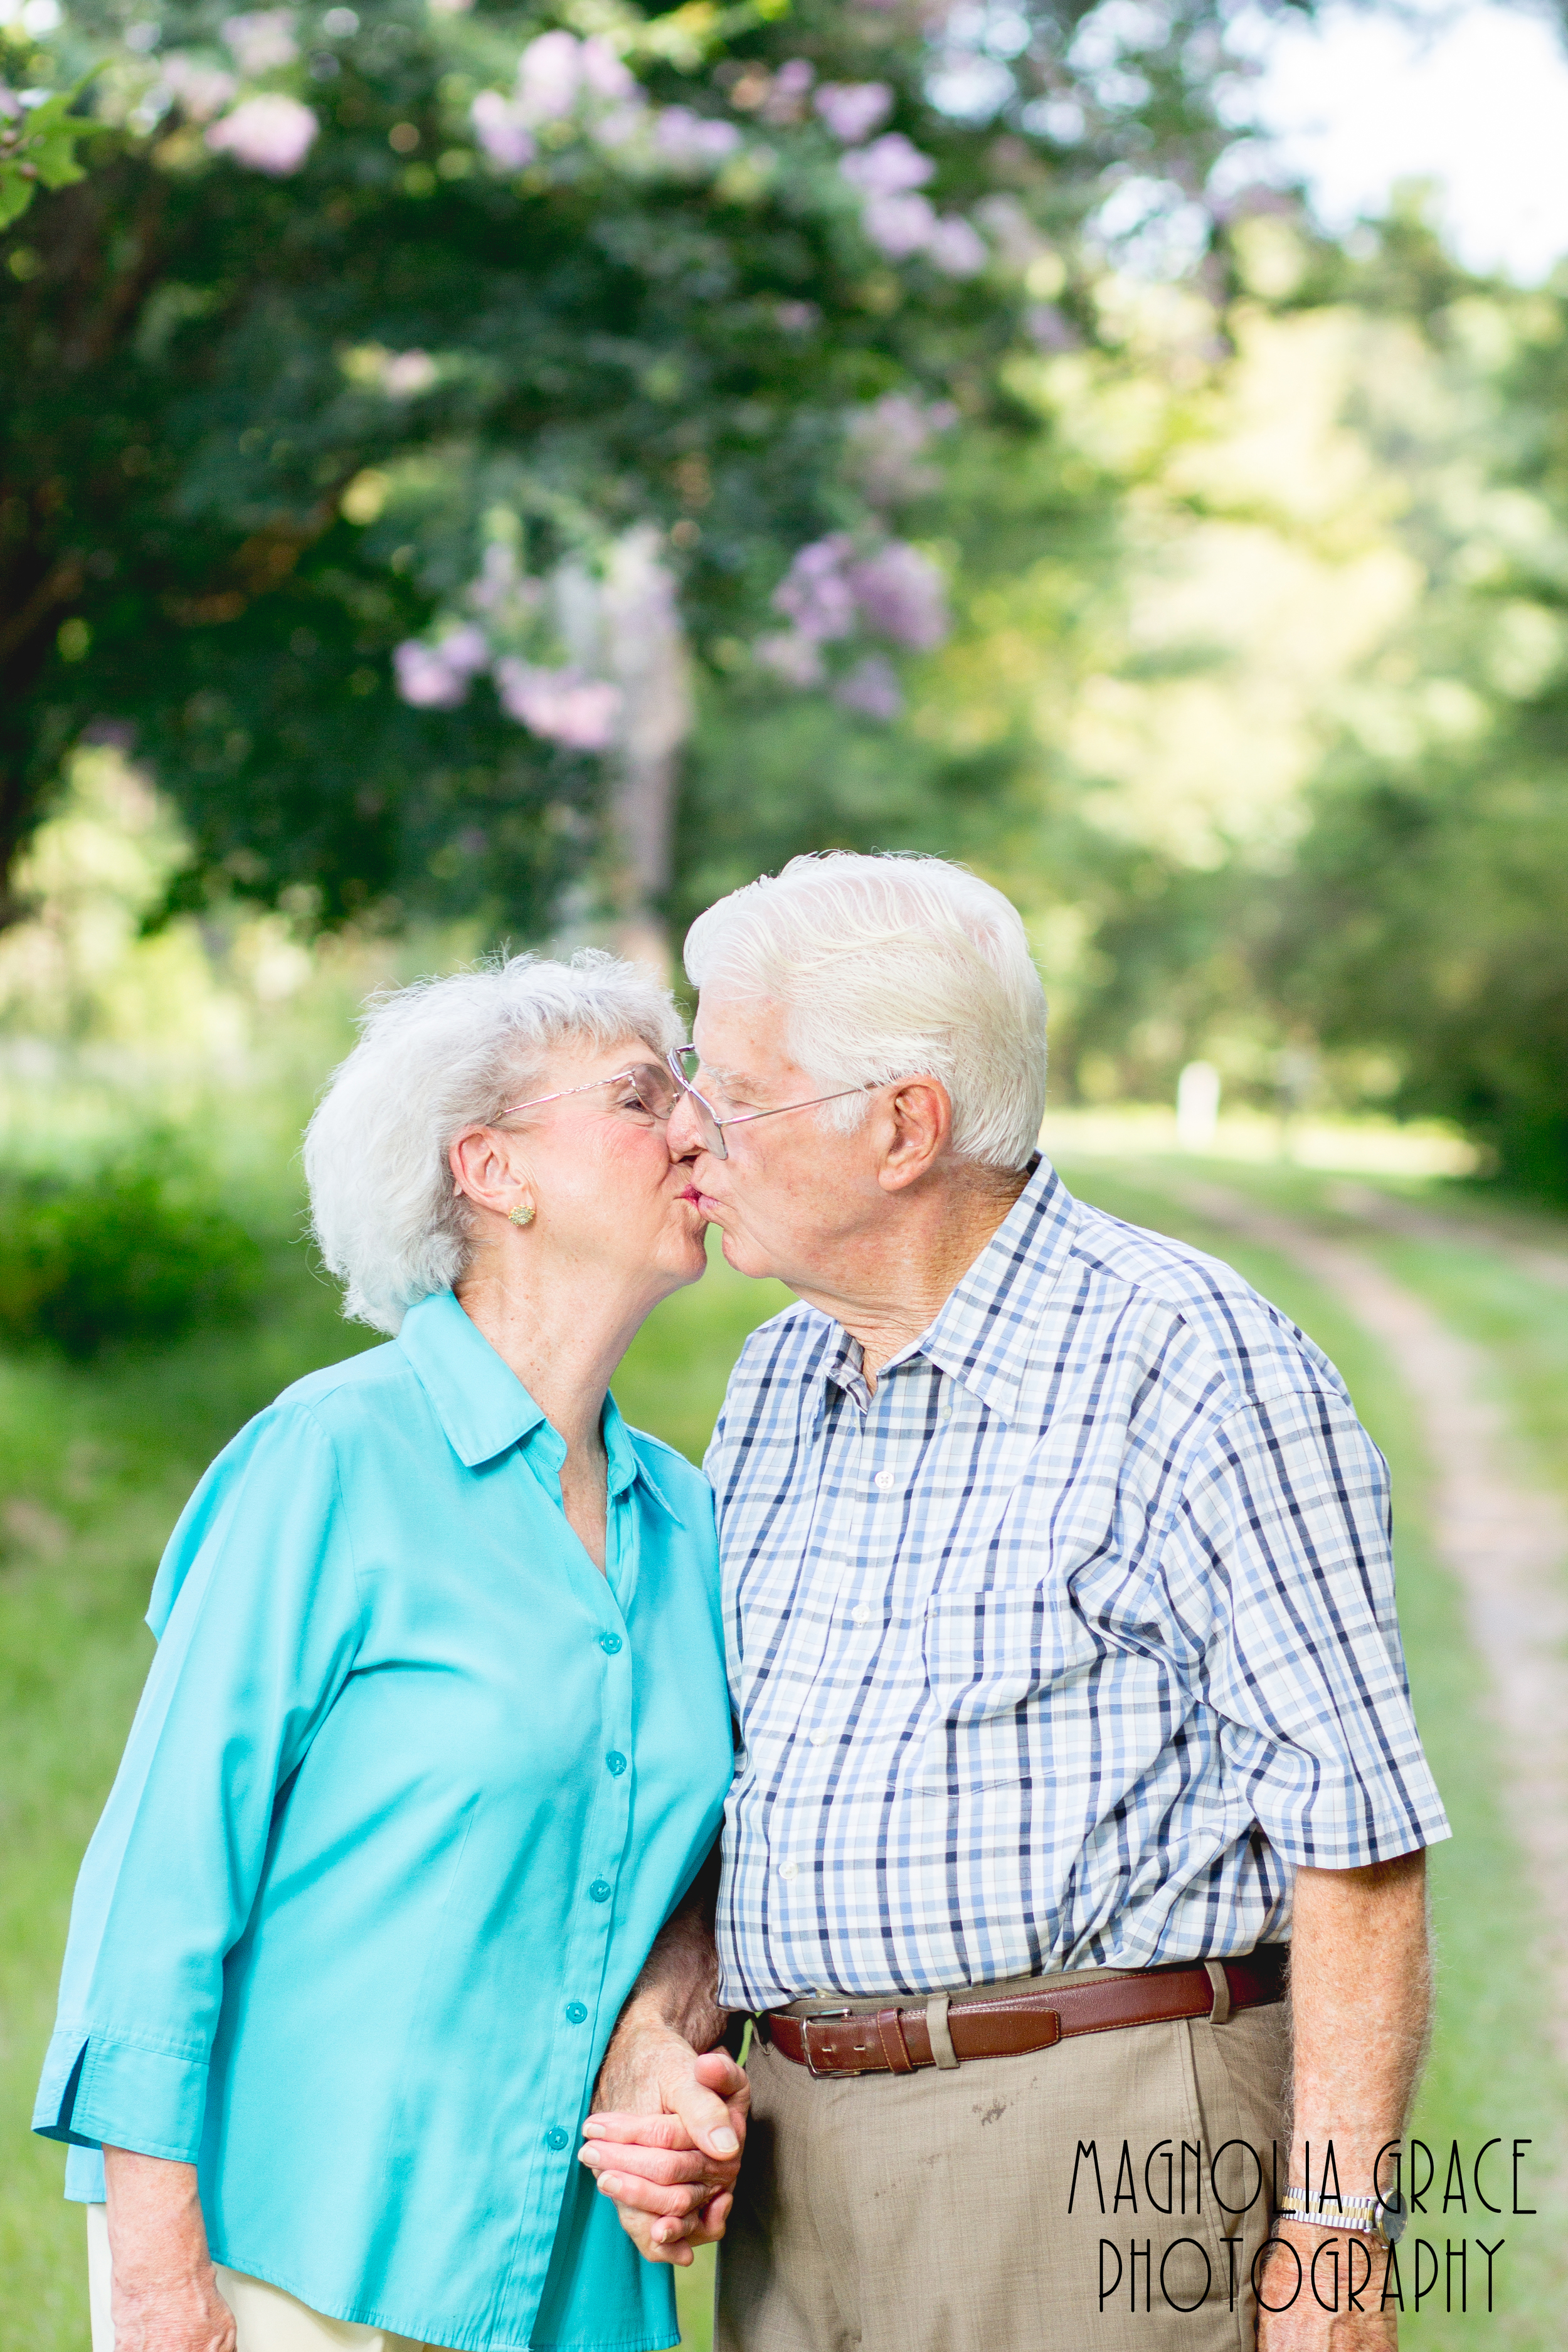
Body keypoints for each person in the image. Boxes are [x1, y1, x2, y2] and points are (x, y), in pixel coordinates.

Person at [578, 856, 1449, 2352]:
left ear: (900, 1124)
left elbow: (1355, 1847)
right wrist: (664, 2030)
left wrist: (1332, 2249)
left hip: (1093, 2140)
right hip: (797, 2173)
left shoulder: (1187, 1362)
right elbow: (754, 1801)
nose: (686, 1136)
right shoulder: (777, 1380)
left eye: (730, 1091)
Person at [33, 950, 744, 2352]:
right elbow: (162, 1891)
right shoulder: (329, 1462)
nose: (695, 1126)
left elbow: (704, 1861)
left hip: (563, 2279)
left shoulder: (689, 1517)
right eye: (638, 1093)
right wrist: (160, 2280)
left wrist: (667, 2037)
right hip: (295, 2264)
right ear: (491, 1171)